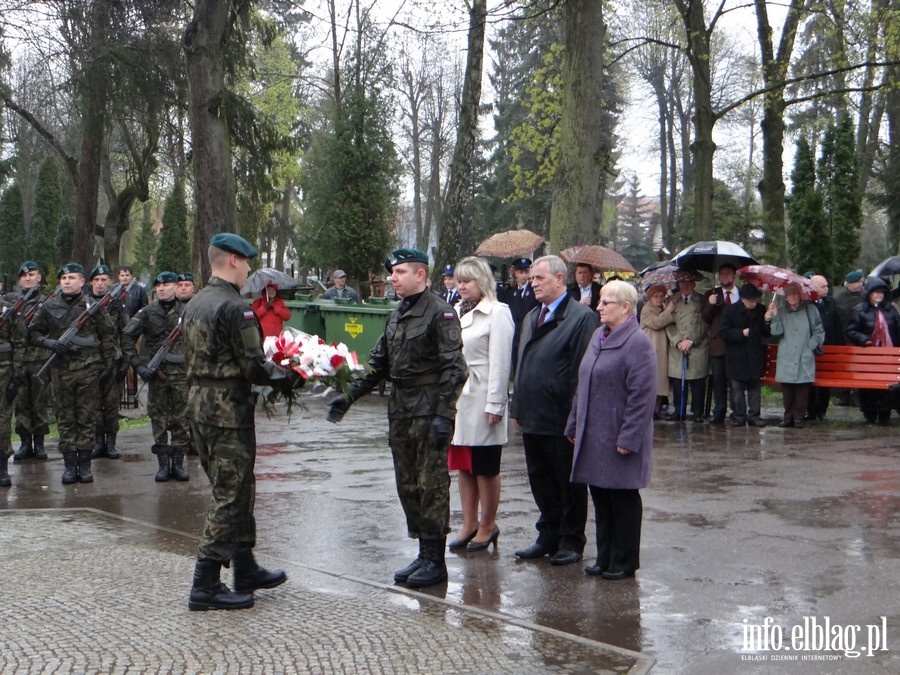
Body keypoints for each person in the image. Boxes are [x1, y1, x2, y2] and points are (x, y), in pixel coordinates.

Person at [327, 248, 467, 588]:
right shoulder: (396, 314)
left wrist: (444, 415)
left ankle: (436, 560)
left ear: (420, 275)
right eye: (393, 271)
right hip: (401, 409)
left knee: (430, 484)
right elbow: (379, 364)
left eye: (400, 271)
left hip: (429, 408)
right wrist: (350, 396)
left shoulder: (440, 314)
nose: (393, 277)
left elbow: (455, 369)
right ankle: (423, 552)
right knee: (407, 484)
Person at [182, 233, 290, 611]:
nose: (248, 269)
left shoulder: (195, 302)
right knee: (230, 493)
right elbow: (253, 365)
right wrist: (292, 373)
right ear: (232, 260)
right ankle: (205, 584)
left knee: (239, 487)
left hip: (201, 406)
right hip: (227, 409)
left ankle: (244, 567)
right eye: (246, 262)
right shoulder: (235, 307)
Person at [511, 255, 598, 566]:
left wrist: (576, 417)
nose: (533, 283)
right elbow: (520, 364)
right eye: (532, 278)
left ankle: (571, 540)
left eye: (540, 278)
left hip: (561, 416)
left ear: (560, 280)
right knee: (540, 479)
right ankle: (548, 534)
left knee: (568, 482)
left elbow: (581, 372)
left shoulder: (580, 317)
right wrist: (517, 402)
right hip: (533, 414)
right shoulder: (531, 316)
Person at [565, 280, 655, 580]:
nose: (599, 307)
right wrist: (574, 422)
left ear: (626, 307)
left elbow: (641, 397)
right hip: (594, 434)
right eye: (600, 301)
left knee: (623, 499)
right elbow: (583, 381)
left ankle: (624, 560)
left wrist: (629, 437)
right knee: (601, 497)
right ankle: (604, 557)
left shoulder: (638, 342)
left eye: (606, 303)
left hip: (618, 436)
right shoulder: (597, 336)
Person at [446, 257, 514, 552]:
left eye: (468, 281)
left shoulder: (498, 313)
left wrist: (496, 404)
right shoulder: (453, 312)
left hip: (483, 394)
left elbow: (500, 362)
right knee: (463, 464)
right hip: (459, 398)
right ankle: (468, 523)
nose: (462, 286)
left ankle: (488, 524)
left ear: (483, 282)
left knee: (485, 465)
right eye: (459, 281)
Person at [29, 263, 118, 484]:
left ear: (82, 282)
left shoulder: (93, 307)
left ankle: (85, 465)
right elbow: (33, 332)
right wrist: (50, 343)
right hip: (61, 371)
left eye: (71, 277)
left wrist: (108, 366)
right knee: (65, 418)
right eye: (63, 278)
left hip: (88, 370)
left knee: (87, 417)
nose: (66, 281)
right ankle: (70, 465)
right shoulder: (49, 307)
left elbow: (107, 335)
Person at [122, 271, 192, 482]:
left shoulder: (187, 312)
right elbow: (126, 336)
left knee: (181, 419)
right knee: (158, 419)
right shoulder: (147, 312)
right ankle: (163, 464)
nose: (162, 288)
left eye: (167, 285)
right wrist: (138, 366)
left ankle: (178, 463)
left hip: (182, 375)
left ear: (176, 287)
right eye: (158, 286)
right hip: (157, 376)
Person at [8, 262, 51, 462]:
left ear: (39, 277)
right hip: (18, 361)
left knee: (40, 402)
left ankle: (40, 443)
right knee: (21, 402)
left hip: (40, 359)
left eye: (31, 274)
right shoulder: (11, 303)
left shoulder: (48, 302)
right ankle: (25, 442)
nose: (28, 278)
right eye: (24, 275)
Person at [767, 282, 824, 428]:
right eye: (789, 294)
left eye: (794, 293)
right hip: (787, 355)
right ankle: (787, 417)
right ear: (785, 297)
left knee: (802, 389)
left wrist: (810, 347)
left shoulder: (810, 310)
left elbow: (819, 332)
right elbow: (776, 332)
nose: (792, 297)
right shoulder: (781, 311)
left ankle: (799, 417)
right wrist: (772, 316)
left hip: (804, 354)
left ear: (800, 295)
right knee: (787, 390)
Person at [86, 265, 129, 460]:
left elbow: (125, 332)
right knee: (93, 404)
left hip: (113, 360)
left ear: (109, 282)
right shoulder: (84, 304)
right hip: (90, 362)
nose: (101, 284)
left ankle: (111, 442)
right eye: (97, 280)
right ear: (90, 283)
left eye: (104, 280)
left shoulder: (116, 305)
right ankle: (98, 442)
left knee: (111, 405)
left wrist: (125, 362)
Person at [845, 276, 900, 425]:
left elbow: (897, 329)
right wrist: (863, 339)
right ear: (869, 293)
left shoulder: (891, 310)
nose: (879, 295)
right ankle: (870, 414)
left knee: (888, 387)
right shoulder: (859, 310)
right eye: (876, 292)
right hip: (868, 355)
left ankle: (884, 414)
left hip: (888, 355)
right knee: (868, 388)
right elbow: (851, 330)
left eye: (881, 292)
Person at [718, 283, 770, 427]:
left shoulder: (761, 310)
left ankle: (754, 415)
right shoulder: (730, 311)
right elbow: (723, 332)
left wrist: (767, 320)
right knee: (737, 389)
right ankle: (739, 415)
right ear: (743, 299)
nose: (754, 303)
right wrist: (741, 333)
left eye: (756, 300)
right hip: (736, 356)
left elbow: (766, 333)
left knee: (754, 387)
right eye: (751, 300)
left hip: (754, 355)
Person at [664, 277, 710, 422]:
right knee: (677, 381)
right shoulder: (671, 301)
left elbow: (705, 322)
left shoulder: (702, 300)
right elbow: (667, 323)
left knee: (698, 382)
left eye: (688, 283)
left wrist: (691, 340)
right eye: (682, 283)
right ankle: (678, 410)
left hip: (697, 345)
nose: (685, 286)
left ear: (694, 284)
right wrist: (678, 341)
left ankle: (697, 413)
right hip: (677, 346)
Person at [701, 263, 739, 424]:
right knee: (718, 380)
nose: (724, 276)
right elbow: (705, 319)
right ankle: (719, 411)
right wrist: (710, 303)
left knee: (736, 380)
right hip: (717, 345)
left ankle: (737, 412)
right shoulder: (712, 294)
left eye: (728, 273)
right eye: (721, 274)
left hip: (737, 344)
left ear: (734, 276)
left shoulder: (741, 294)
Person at [806, 274, 843, 421]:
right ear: (814, 287)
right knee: (810, 381)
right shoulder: (806, 303)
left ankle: (821, 410)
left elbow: (837, 325)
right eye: (823, 286)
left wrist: (840, 348)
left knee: (825, 383)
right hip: (810, 348)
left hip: (828, 347)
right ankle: (810, 411)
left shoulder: (831, 302)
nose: (827, 289)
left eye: (827, 285)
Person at [0, 291, 25, 487]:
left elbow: (19, 344)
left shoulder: (8, 312)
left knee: (3, 420)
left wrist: (16, 376)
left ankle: (2, 466)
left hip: (4, 372)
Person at [640, 284, 675, 418]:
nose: (659, 299)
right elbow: (656, 323)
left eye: (662, 296)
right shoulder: (646, 309)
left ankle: (657, 409)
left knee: (662, 382)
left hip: (663, 349)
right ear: (650, 296)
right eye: (656, 296)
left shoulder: (663, 306)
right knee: (653, 381)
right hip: (652, 349)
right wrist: (668, 311)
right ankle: (651, 410)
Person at [504, 257, 540, 369]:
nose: (524, 275)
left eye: (526, 272)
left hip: (529, 335)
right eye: (521, 272)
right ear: (515, 273)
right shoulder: (511, 293)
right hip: (515, 338)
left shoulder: (534, 291)